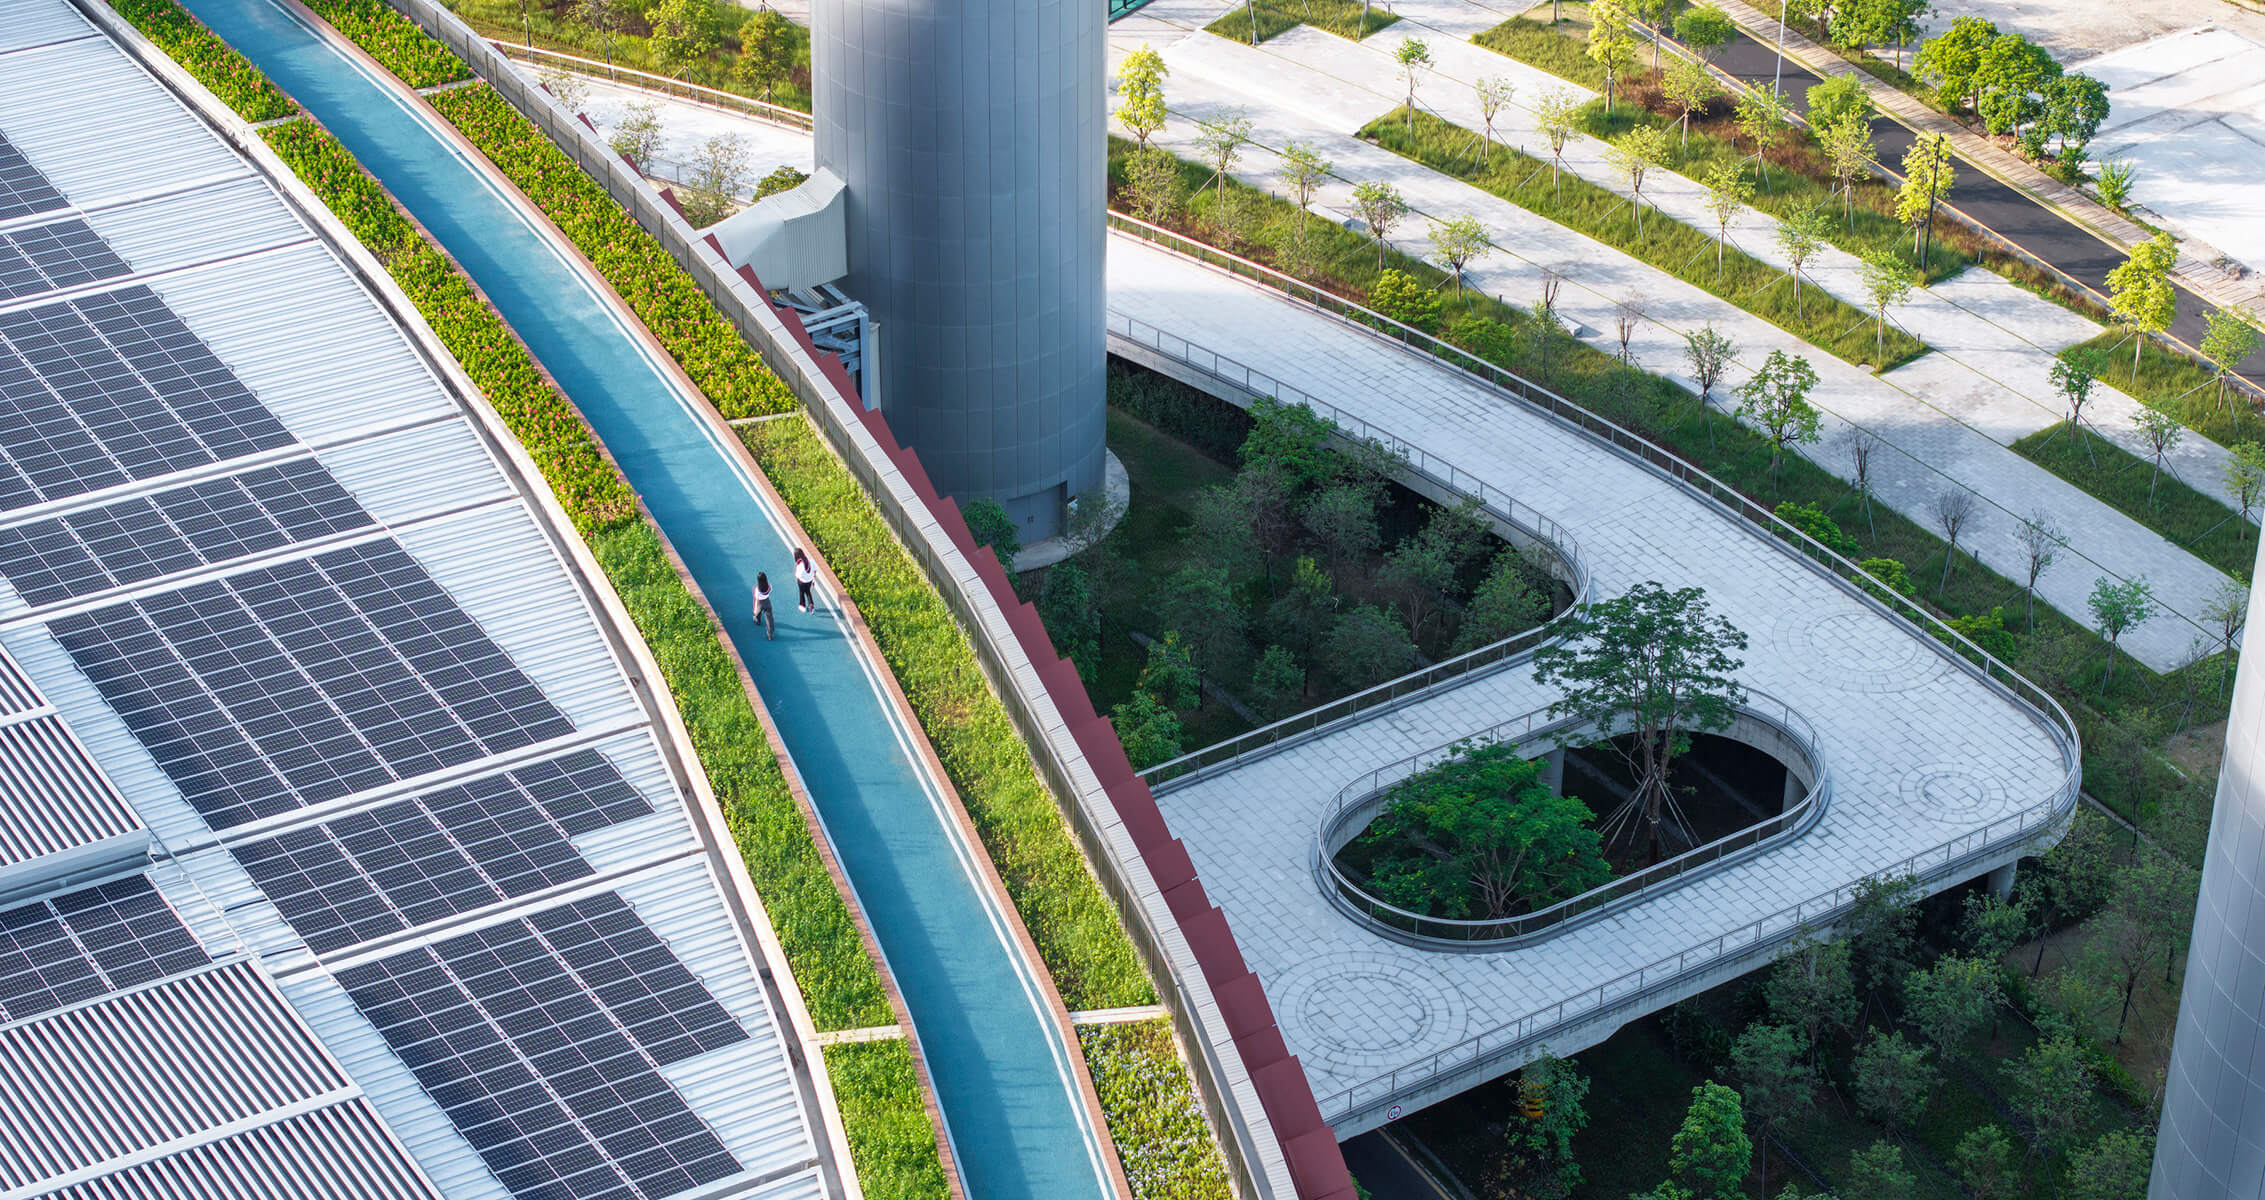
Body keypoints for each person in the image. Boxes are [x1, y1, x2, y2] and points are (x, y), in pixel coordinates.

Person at [793, 547, 817, 613]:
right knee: (808, 591)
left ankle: (802, 605)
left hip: (802, 582)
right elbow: (815, 569)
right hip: (810, 580)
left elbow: (797, 575)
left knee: (801, 592)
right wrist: (813, 576)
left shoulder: (800, 565)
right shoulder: (811, 560)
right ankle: (811, 605)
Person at [753, 572, 774, 640]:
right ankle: (770, 634)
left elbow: (756, 597)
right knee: (769, 618)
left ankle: (757, 620)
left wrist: (755, 609)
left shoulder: (756, 588)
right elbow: (770, 590)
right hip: (767, 602)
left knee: (757, 612)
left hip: (760, 602)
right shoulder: (769, 586)